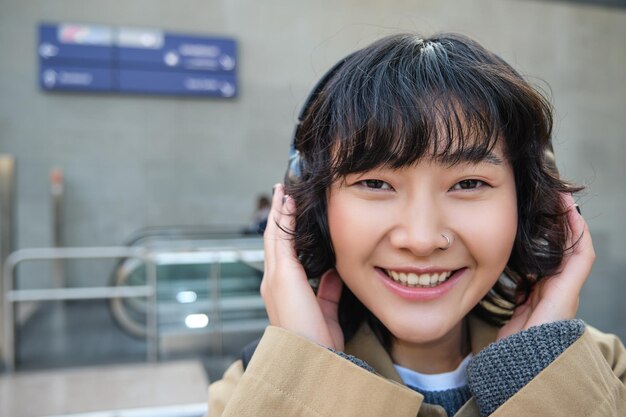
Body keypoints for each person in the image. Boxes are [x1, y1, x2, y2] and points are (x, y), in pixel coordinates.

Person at [207, 33, 626, 416]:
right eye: (375, 183)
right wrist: (306, 379)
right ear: (312, 207)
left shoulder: (601, 370)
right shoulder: (251, 389)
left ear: (530, 205)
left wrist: (539, 374)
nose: (422, 239)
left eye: (469, 183)